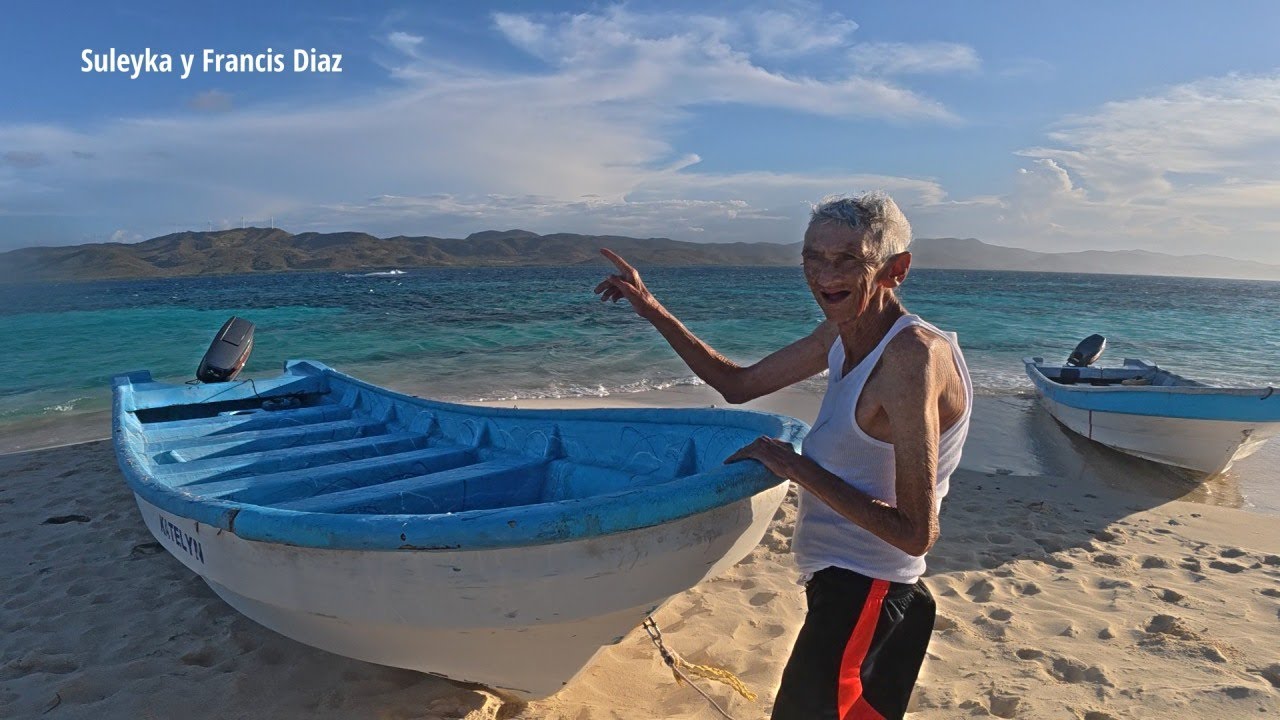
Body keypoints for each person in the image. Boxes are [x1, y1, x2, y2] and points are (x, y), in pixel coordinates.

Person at [593, 191, 971, 720]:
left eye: (847, 259)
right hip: (845, 589)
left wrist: (795, 465)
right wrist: (651, 307)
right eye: (812, 258)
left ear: (895, 269)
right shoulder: (841, 334)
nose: (824, 275)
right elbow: (737, 384)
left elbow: (915, 531)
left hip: (871, 591)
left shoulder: (911, 357)